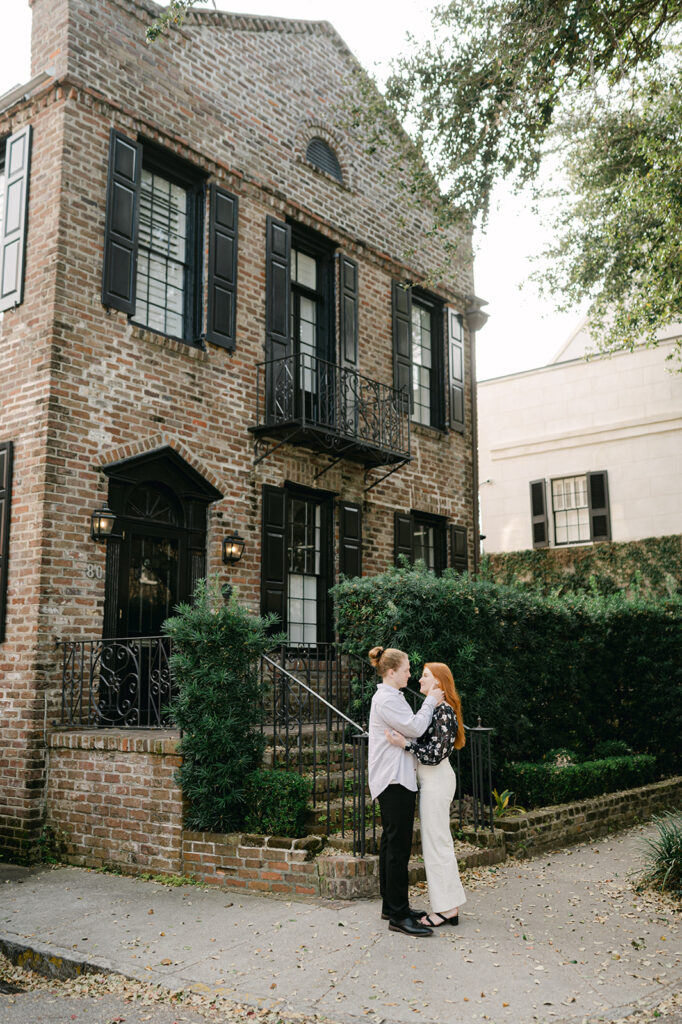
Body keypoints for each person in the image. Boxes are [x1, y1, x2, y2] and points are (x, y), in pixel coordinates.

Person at [367, 645, 444, 937]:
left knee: (391, 844)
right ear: (391, 672)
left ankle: (392, 905)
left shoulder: (391, 697)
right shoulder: (386, 699)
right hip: (394, 779)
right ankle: (398, 915)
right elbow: (415, 728)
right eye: (406, 669)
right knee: (397, 849)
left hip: (395, 778)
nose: (410, 673)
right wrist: (432, 702)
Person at [386, 662, 466, 928]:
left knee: (437, 844)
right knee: (435, 844)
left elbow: (435, 754)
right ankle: (448, 905)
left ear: (439, 684)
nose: (419, 680)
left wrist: (405, 744)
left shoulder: (444, 711)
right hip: (431, 782)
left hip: (437, 781)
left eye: (426, 676)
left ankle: (447, 909)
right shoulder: (437, 710)